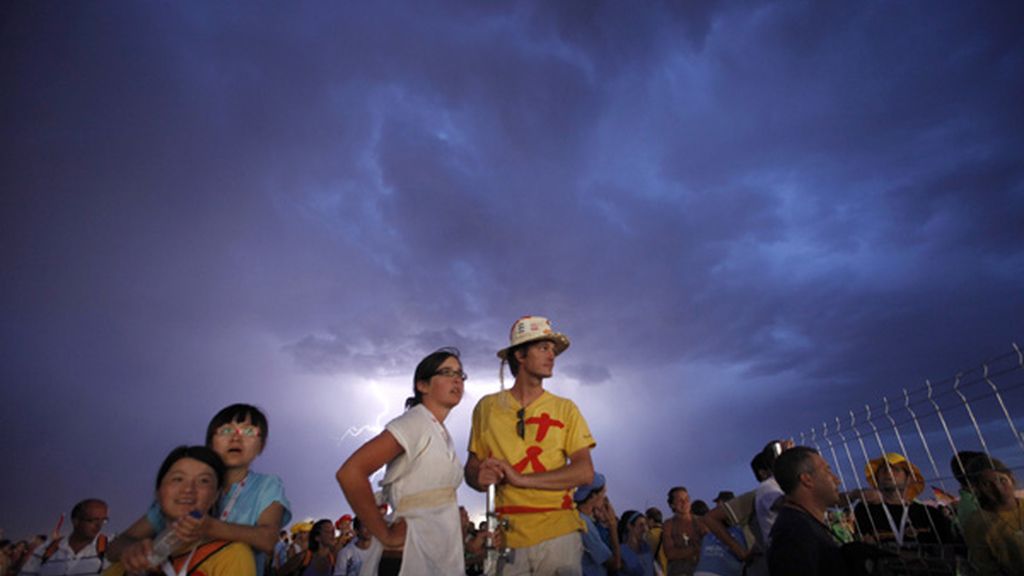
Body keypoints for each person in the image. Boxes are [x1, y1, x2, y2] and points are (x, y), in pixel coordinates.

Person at [465, 316, 596, 575]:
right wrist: (478, 476)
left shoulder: (566, 409)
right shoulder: (486, 408)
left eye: (553, 349)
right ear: (520, 355)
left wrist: (521, 479)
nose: (552, 355)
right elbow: (471, 467)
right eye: (543, 348)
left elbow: (584, 472)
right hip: (505, 536)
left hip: (559, 534)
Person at [109, 404, 291, 576]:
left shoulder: (266, 486)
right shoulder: (180, 496)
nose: (236, 438)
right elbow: (117, 545)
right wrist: (132, 550)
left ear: (261, 445)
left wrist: (209, 527)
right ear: (210, 442)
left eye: (249, 431)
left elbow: (268, 539)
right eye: (226, 430)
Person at [337, 347, 470, 576]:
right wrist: (384, 534)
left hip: (436, 553)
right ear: (423, 385)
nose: (457, 380)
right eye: (447, 373)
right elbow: (351, 472)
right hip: (409, 554)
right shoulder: (414, 423)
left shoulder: (438, 431)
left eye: (460, 374)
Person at [102, 445, 256, 576]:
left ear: (215, 496)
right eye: (178, 479)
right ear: (158, 492)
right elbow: (116, 546)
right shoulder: (131, 561)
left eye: (204, 481)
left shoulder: (231, 556)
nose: (188, 489)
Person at [766, 446, 846, 576]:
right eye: (827, 471)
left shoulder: (800, 526)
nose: (837, 480)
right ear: (807, 480)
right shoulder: (793, 537)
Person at [853, 453, 954, 548]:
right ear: (876, 479)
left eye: (896, 469)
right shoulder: (865, 510)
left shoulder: (930, 514)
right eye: (883, 470)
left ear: (909, 478)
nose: (888, 472)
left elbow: (948, 551)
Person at [961, 456, 1024, 575]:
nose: (998, 489)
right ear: (977, 489)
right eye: (987, 484)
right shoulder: (976, 524)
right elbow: (987, 568)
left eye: (1002, 480)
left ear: (1011, 478)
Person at [18, 499, 110, 576]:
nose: (99, 525)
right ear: (76, 521)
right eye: (92, 520)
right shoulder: (45, 550)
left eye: (103, 520)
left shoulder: (109, 549)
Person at [575, 473, 620, 576]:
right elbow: (615, 564)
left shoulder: (578, 516)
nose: (605, 498)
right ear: (593, 495)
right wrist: (612, 525)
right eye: (603, 493)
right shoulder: (584, 523)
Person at [663, 487, 702, 575]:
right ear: (672, 505)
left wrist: (681, 552)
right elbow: (670, 553)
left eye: (687, 499)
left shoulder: (700, 522)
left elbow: (708, 549)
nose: (685, 503)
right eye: (680, 500)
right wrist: (696, 548)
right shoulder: (668, 524)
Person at [618, 511, 655, 576]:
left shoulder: (647, 549)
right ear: (629, 526)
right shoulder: (621, 552)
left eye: (646, 525)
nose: (646, 529)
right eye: (641, 525)